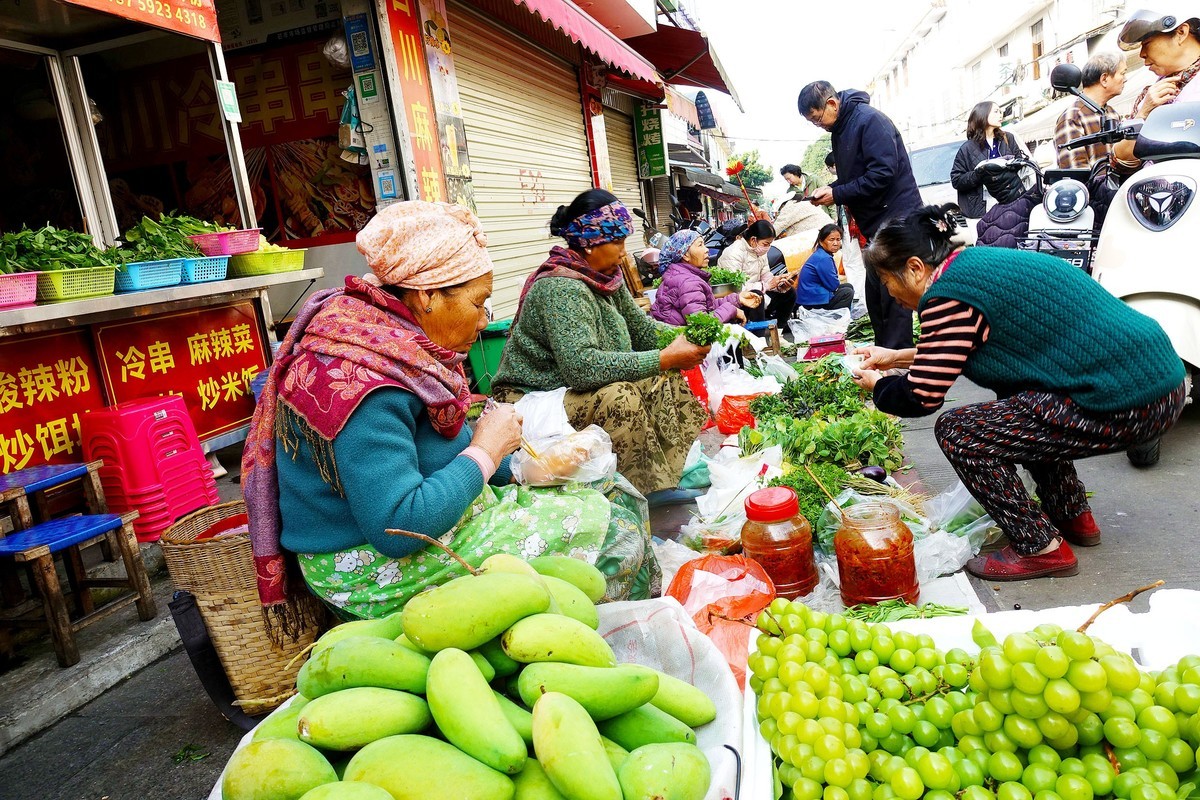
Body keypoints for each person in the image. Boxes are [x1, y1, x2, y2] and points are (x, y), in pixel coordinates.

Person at [241, 201, 665, 622]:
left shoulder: (397, 347)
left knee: (612, 487)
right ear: (426, 295)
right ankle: (617, 644)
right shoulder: (360, 381)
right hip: (365, 564)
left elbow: (433, 448)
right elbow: (397, 524)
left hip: (423, 516)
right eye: (478, 303)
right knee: (616, 537)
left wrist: (518, 467)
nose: (484, 321)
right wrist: (485, 450)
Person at [849, 205, 1186, 581]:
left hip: (1128, 401)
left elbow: (922, 396)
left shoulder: (947, 295)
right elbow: (962, 347)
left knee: (961, 432)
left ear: (914, 268)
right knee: (1016, 416)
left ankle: (1039, 547)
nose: (889, 293)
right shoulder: (972, 267)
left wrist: (879, 386)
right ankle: (1073, 517)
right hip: (1158, 383)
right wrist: (897, 356)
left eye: (886, 280)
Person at [491, 189, 709, 498]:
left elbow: (641, 329)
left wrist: (686, 338)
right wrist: (665, 357)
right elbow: (582, 367)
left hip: (565, 390)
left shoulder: (605, 275)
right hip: (530, 399)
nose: (624, 252)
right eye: (617, 242)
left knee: (658, 377)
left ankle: (665, 475)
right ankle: (638, 494)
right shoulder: (560, 287)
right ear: (590, 244)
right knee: (620, 396)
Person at [798, 80, 922, 350]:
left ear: (832, 104)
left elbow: (882, 174)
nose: (818, 125)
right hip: (874, 225)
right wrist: (831, 189)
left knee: (895, 295)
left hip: (896, 219)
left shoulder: (869, 121)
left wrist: (838, 194)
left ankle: (896, 365)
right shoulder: (840, 130)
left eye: (817, 118)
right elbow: (853, 178)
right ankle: (883, 357)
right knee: (876, 295)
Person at [1111, 8, 1200, 172]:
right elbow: (1121, 160)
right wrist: (1143, 113)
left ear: (1181, 32)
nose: (1142, 54)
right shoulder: (1151, 94)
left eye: (1146, 43)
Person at [650, 229, 760, 326]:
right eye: (700, 245)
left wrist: (737, 299)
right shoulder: (688, 282)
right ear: (685, 255)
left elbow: (706, 307)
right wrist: (732, 310)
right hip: (682, 343)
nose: (706, 249)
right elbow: (701, 325)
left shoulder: (679, 275)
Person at [950, 101, 1027, 219]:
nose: (1001, 114)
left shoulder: (1008, 138)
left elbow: (1020, 162)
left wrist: (1009, 165)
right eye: (996, 111)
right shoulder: (967, 148)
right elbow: (956, 180)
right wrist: (979, 174)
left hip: (1011, 201)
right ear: (982, 115)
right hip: (982, 209)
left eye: (1000, 111)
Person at [1053, 53, 1128, 169]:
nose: (1125, 79)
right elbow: (1076, 175)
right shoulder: (1072, 118)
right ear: (1104, 79)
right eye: (1122, 73)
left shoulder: (1112, 113)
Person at [717, 219, 797, 327]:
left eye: (769, 244)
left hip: (758, 291)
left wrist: (778, 283)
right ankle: (759, 337)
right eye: (766, 244)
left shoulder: (760, 252)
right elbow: (735, 288)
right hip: (738, 298)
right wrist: (766, 286)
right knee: (757, 295)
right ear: (753, 240)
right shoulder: (733, 253)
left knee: (789, 293)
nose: (768, 247)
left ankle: (779, 331)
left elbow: (766, 275)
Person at [796, 224, 854, 311]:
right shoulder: (823, 258)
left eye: (838, 240)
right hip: (812, 301)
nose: (835, 243)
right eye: (831, 240)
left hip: (813, 296)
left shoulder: (822, 254)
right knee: (847, 293)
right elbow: (833, 285)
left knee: (848, 286)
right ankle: (834, 320)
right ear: (821, 241)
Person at [775, 165, 833, 238]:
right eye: (786, 180)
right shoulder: (790, 192)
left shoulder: (814, 179)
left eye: (789, 178)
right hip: (810, 227)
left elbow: (829, 198)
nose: (788, 181)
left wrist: (834, 217)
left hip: (825, 218)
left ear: (796, 173)